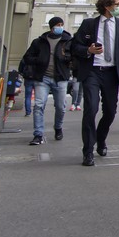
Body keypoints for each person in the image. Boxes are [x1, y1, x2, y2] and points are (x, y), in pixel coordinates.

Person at [70, 0, 119, 167]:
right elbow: (74, 46)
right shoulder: (89, 24)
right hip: (92, 71)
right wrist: (88, 51)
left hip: (112, 73)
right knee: (91, 109)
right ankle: (88, 151)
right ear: (107, 6)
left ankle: (101, 138)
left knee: (111, 112)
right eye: (118, 3)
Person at [21, 17, 73, 145]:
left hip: (60, 78)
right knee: (39, 105)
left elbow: (74, 57)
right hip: (42, 78)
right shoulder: (39, 42)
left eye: (62, 24)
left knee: (61, 107)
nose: (60, 27)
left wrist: (66, 58)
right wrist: (39, 60)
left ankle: (58, 127)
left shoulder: (68, 42)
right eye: (57, 25)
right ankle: (38, 134)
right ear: (51, 27)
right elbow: (27, 57)